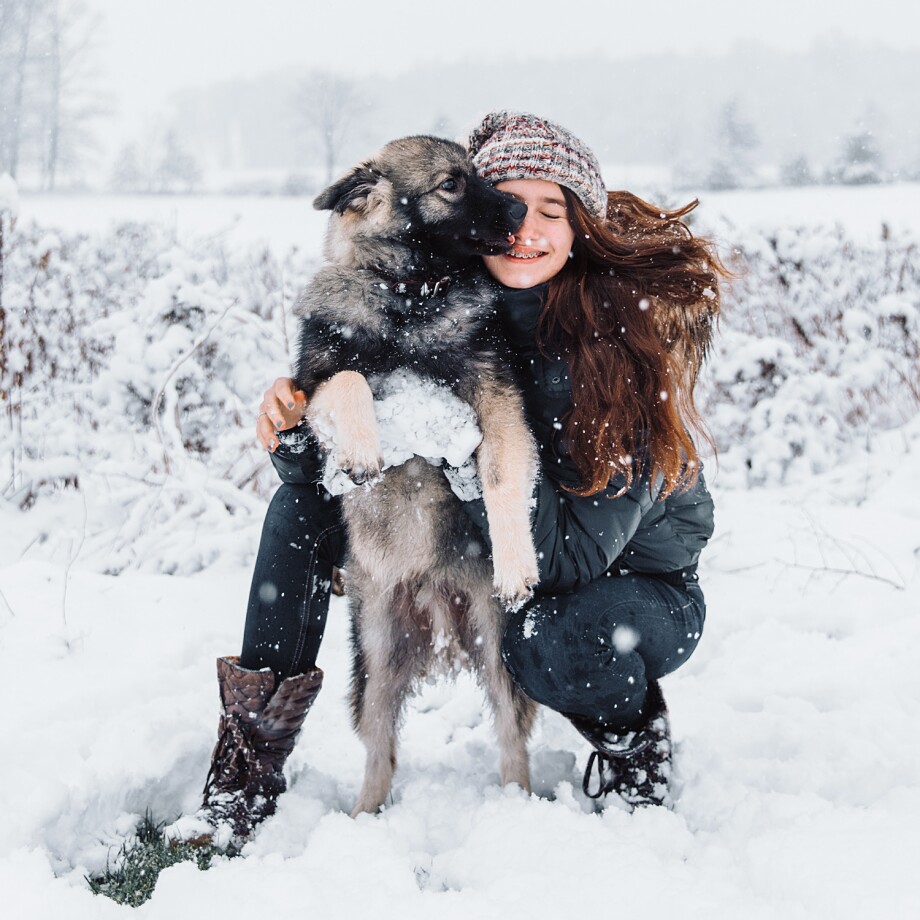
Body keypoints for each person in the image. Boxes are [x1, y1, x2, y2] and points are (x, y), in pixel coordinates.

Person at [189, 111, 724, 842]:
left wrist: (454, 444)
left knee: (553, 639)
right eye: (508, 201)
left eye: (552, 211)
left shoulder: (616, 343)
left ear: (580, 228)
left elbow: (563, 560)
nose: (522, 225)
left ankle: (636, 745)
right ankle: (247, 765)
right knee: (295, 512)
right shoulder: (462, 291)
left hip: (621, 584)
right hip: (510, 542)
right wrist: (297, 429)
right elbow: (334, 468)